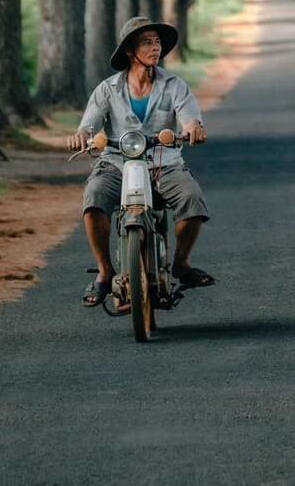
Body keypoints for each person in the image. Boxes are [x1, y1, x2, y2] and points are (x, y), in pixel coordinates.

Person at [67, 16, 214, 308]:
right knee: (94, 197)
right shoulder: (107, 89)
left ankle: (181, 264)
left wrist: (193, 128)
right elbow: (89, 125)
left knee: (192, 199)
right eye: (147, 41)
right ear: (130, 50)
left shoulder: (174, 86)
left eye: (157, 41)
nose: (155, 47)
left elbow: (189, 117)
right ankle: (105, 272)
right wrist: (81, 136)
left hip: (165, 162)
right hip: (116, 163)